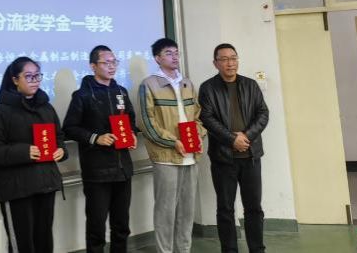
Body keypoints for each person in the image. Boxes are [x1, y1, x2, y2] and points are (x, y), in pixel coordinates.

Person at [63, 45, 137, 253]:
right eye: (106, 62)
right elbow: (69, 128)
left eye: (114, 62)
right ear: (93, 66)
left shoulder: (121, 92)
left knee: (121, 226)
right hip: (97, 172)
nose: (112, 66)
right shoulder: (82, 95)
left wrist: (131, 134)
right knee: (96, 227)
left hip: (123, 169)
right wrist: (95, 138)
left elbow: (130, 119)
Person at [0, 57, 67, 253]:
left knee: (44, 242)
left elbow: (59, 137)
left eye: (37, 76)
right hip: (17, 189)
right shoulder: (1, 113)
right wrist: (24, 152)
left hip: (45, 185)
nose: (35, 81)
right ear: (15, 80)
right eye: (29, 76)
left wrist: (61, 150)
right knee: (22, 244)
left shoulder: (46, 107)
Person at [198, 43, 269, 253]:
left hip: (251, 156)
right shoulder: (208, 88)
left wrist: (246, 136)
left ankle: (257, 249)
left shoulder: (250, 85)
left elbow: (263, 113)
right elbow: (207, 118)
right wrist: (231, 139)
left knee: (254, 208)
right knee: (226, 209)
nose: (230, 63)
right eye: (224, 59)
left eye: (233, 58)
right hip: (223, 159)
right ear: (215, 63)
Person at [137, 38, 206, 253]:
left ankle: (183, 249)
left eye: (176, 52)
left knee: (187, 210)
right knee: (165, 211)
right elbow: (147, 123)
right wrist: (173, 141)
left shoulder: (187, 83)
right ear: (157, 58)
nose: (174, 57)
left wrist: (198, 137)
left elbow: (198, 116)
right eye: (168, 53)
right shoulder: (149, 84)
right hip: (166, 156)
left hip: (190, 156)